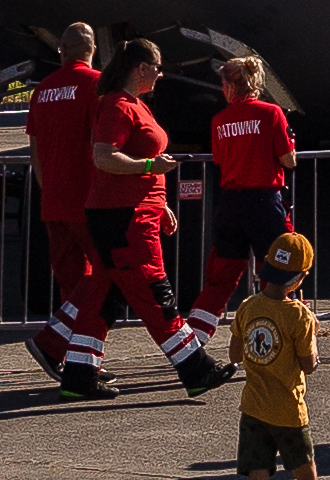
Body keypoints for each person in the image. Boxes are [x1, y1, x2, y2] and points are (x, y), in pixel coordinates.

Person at [57, 40, 224, 398]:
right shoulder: (118, 105)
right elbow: (104, 156)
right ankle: (195, 369)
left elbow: (126, 161)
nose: (161, 74)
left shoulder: (132, 105)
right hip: (125, 219)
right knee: (154, 293)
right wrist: (149, 167)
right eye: (157, 67)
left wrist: (158, 200)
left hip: (128, 212)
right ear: (141, 68)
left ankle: (78, 375)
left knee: (103, 295)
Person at [218, 232, 330, 480]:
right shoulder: (300, 317)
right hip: (290, 412)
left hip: (254, 409)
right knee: (307, 478)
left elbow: (234, 356)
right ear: (300, 278)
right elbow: (308, 364)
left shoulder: (248, 307)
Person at [18, 23, 106, 387]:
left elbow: (35, 149)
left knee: (72, 284)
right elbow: (103, 143)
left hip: (53, 197)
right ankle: (55, 342)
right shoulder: (96, 84)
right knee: (106, 276)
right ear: (93, 50)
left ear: (62, 51)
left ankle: (81, 360)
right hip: (88, 197)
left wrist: (47, 187)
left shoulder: (43, 90)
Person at [196, 52, 298, 346]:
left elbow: (219, 159)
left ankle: (193, 343)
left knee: (221, 277)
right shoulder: (271, 114)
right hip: (265, 203)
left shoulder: (219, 121)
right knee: (278, 271)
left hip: (230, 204)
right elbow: (288, 159)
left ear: (229, 86)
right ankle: (278, 337)